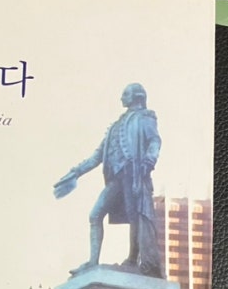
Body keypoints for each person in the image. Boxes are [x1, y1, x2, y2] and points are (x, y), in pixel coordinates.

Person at [54, 83, 163, 278]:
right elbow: (97, 156)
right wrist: (75, 172)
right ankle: (92, 261)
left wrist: (149, 161)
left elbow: (154, 141)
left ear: (137, 96)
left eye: (125, 94)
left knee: (135, 217)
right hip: (116, 179)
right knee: (95, 215)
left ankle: (132, 259)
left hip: (133, 174)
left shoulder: (145, 118)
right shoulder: (115, 127)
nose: (122, 98)